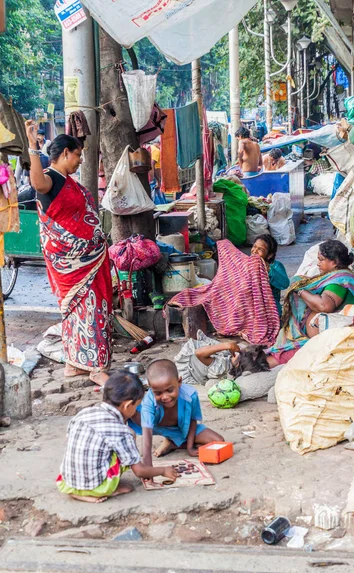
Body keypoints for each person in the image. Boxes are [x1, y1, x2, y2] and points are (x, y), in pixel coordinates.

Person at [25, 120, 112, 385]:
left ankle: (75, 364)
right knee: (89, 309)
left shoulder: (68, 181)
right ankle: (96, 367)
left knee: (79, 312)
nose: (80, 160)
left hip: (88, 260)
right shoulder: (51, 179)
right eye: (78, 155)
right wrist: (32, 147)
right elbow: (38, 185)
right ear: (64, 154)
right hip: (71, 262)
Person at [57, 371, 178, 503]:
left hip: (69, 481)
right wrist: (163, 470)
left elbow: (70, 438)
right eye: (136, 406)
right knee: (127, 440)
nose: (136, 410)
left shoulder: (85, 413)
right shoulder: (120, 431)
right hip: (96, 486)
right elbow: (139, 471)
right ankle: (106, 489)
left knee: (120, 440)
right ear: (127, 405)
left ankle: (77, 493)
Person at [266, 239, 354, 367]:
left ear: (334, 262)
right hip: (330, 334)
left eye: (321, 259)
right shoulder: (339, 275)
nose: (318, 264)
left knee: (283, 357)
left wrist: (300, 291)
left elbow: (324, 305)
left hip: (340, 336)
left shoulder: (340, 280)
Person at [129, 359, 224, 460]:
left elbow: (192, 420)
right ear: (150, 387)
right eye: (158, 393)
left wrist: (190, 447)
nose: (165, 397)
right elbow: (147, 429)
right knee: (133, 410)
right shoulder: (149, 400)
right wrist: (147, 462)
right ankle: (174, 441)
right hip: (154, 427)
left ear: (179, 382)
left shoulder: (190, 395)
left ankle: (173, 443)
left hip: (180, 430)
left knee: (219, 442)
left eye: (170, 390)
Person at [174, 330, 270, 385]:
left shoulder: (222, 367)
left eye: (242, 352)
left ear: (238, 363)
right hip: (203, 360)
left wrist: (227, 345)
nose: (241, 349)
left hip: (189, 367)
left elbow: (198, 353)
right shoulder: (235, 360)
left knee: (216, 349)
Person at [251, 234, 290, 317]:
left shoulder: (275, 266)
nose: (254, 251)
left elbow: (285, 283)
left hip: (270, 309)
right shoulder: (247, 264)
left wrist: (268, 270)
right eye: (254, 246)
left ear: (270, 255)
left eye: (260, 249)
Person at [149, 137, 167, 205]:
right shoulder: (156, 150)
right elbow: (152, 165)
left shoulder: (151, 148)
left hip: (153, 177)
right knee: (157, 197)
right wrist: (157, 180)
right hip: (153, 178)